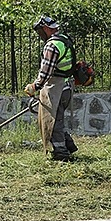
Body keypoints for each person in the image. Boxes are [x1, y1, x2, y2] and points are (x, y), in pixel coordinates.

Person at [25, 16, 78, 162]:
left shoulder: (52, 45)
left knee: (52, 121)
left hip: (56, 88)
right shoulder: (65, 39)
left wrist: (35, 86)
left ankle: (61, 153)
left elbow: (46, 71)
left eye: (41, 31)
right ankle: (68, 145)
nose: (40, 34)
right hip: (67, 86)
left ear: (46, 29)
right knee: (58, 119)